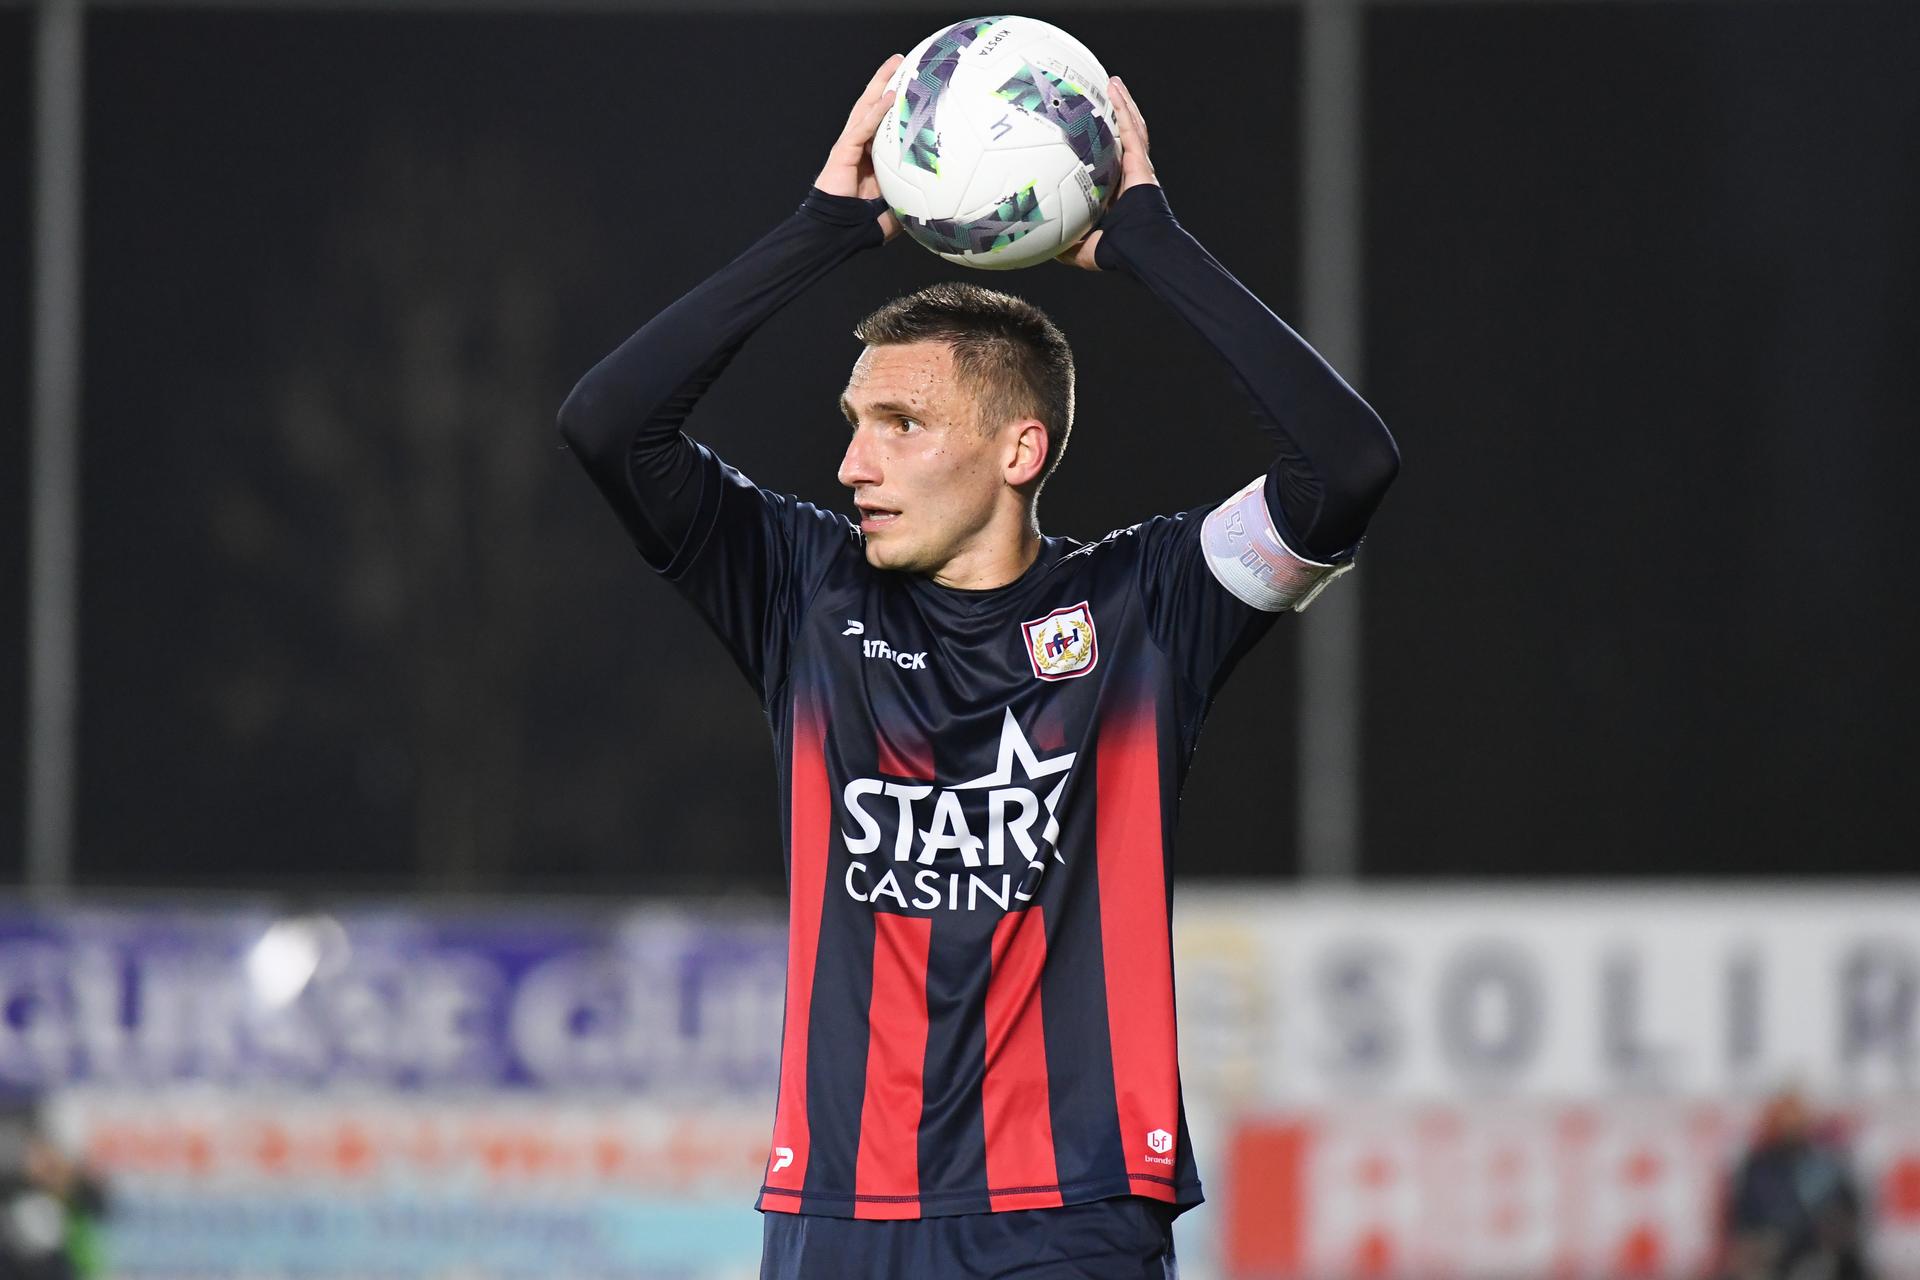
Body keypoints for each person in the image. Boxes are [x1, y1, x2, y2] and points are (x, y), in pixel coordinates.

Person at [560, 46, 1397, 1280]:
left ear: (1019, 448)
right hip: (838, 1212)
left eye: (900, 424)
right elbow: (606, 422)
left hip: (1072, 1216)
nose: (853, 463)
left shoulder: (1148, 604)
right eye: (852, 424)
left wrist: (1149, 244)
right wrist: (820, 230)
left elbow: (1348, 467)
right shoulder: (803, 588)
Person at [1724, 1089, 1870, 1280]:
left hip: (1816, 1250)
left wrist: (1832, 1231)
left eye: (1795, 1117)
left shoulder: (1824, 1163)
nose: (1790, 1125)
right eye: (1785, 1117)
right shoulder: (1758, 1166)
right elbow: (1741, 1217)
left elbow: (1849, 1210)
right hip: (1770, 1251)